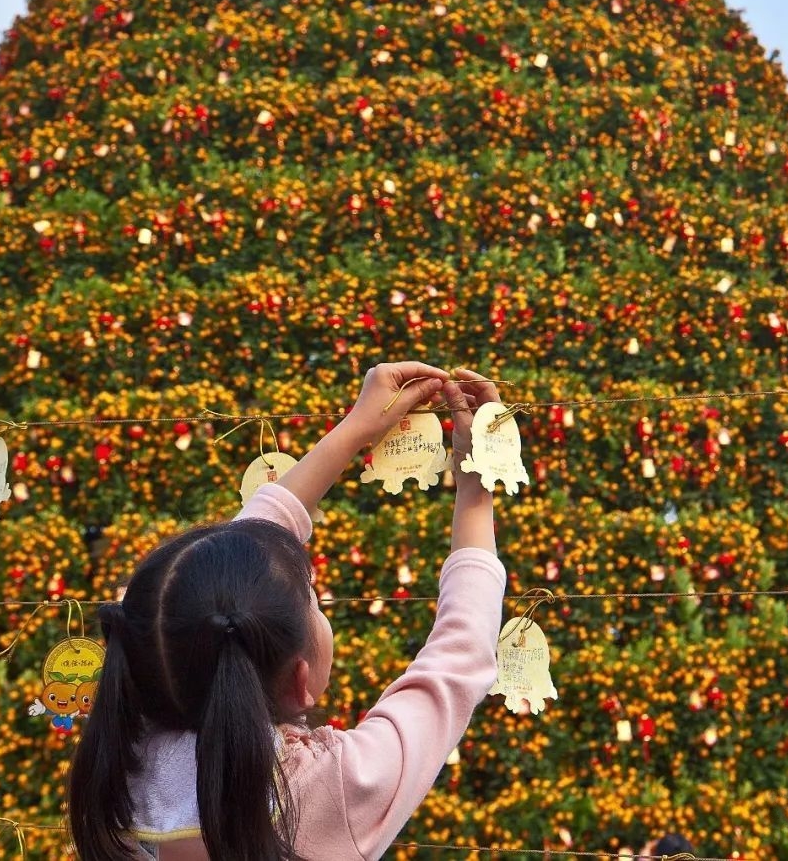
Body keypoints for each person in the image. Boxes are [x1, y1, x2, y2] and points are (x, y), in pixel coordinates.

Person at [67, 361, 506, 861]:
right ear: (302, 682)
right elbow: (459, 656)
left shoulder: (127, 765)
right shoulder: (336, 787)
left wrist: (357, 428)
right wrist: (476, 484)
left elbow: (232, 567)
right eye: (314, 600)